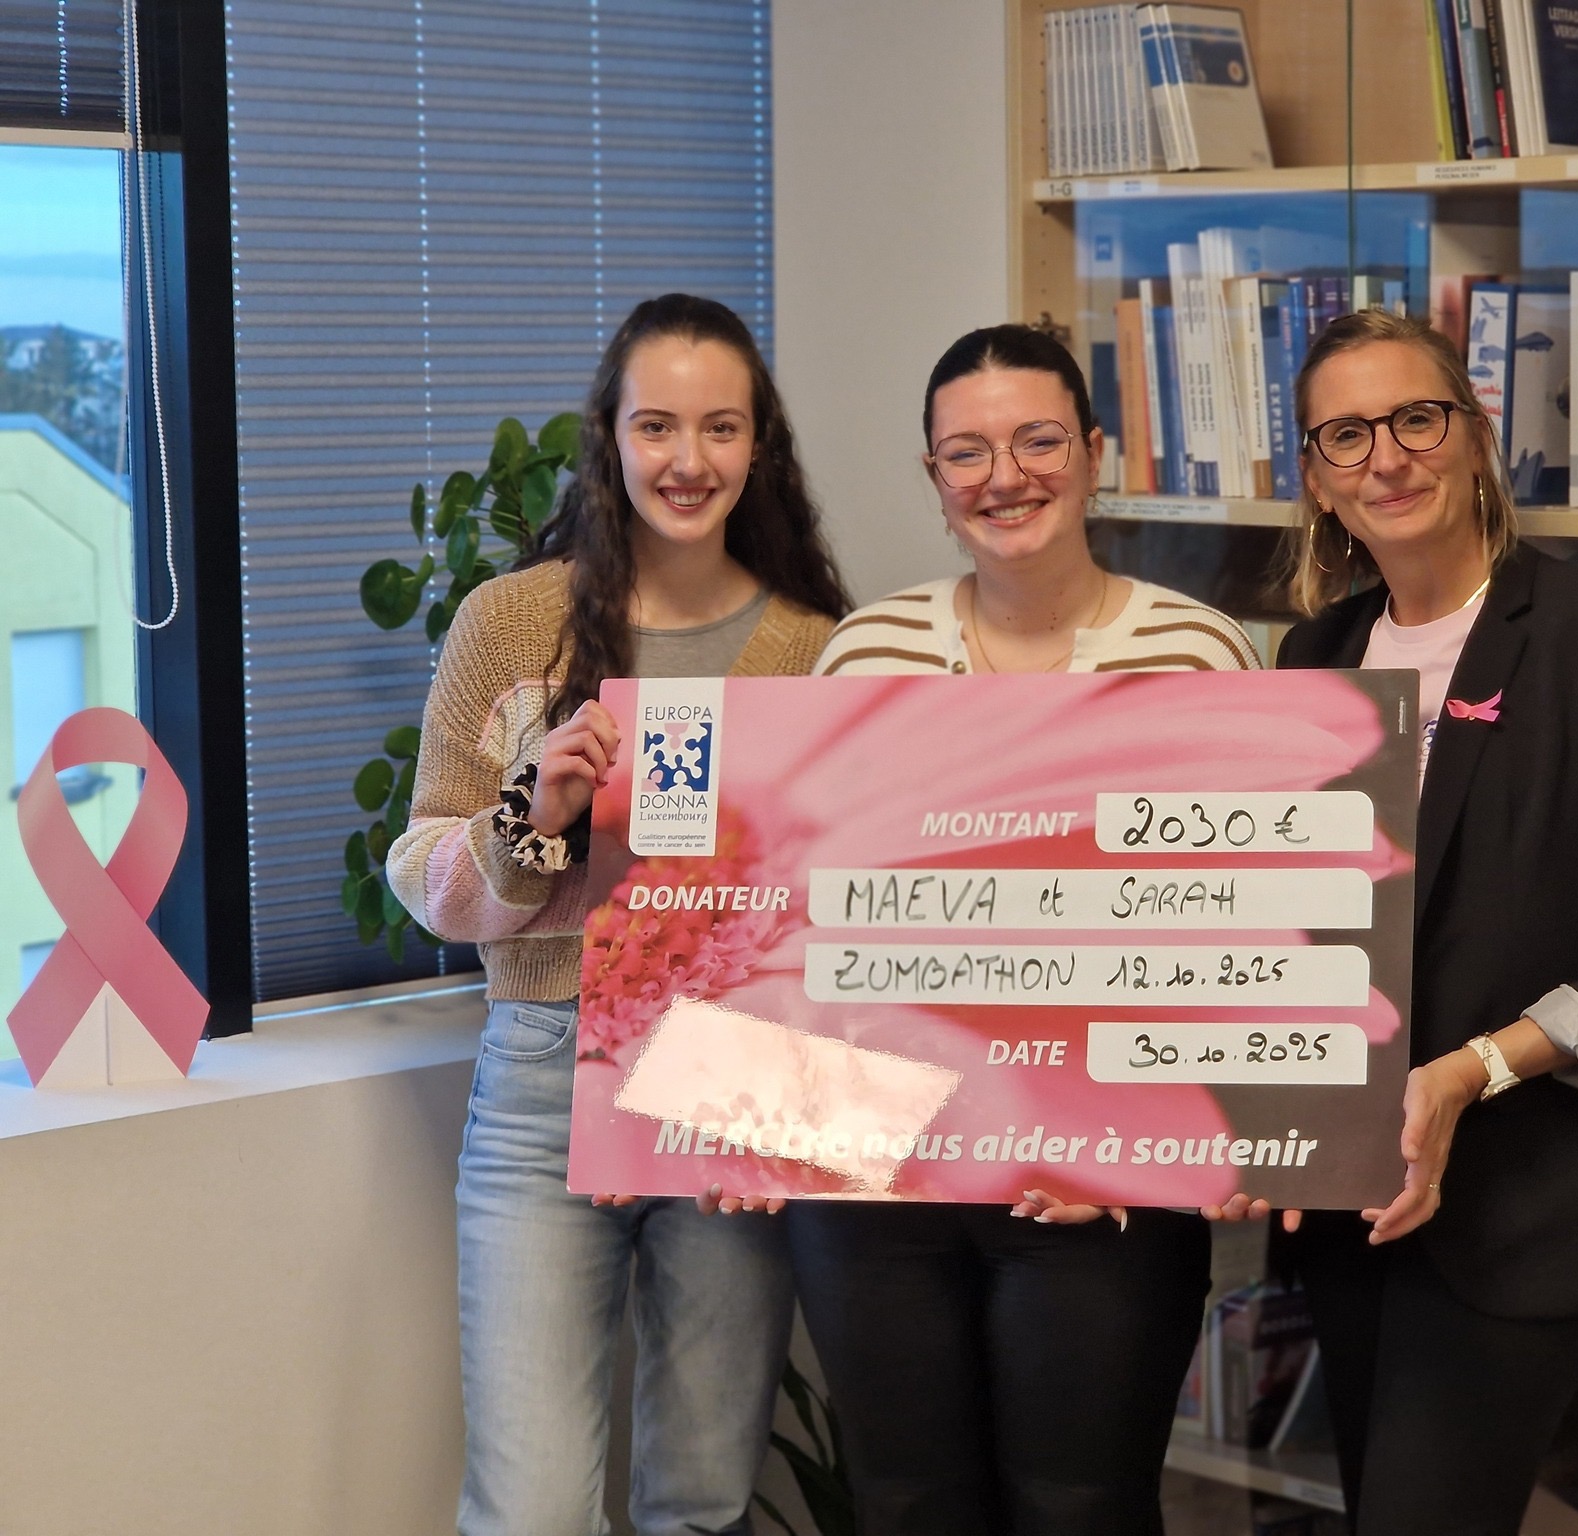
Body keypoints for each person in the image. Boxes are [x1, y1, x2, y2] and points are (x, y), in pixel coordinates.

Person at [1240, 307, 1578, 1535]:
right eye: (1346, 436)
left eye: (1416, 419)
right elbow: (1292, 931)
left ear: (1475, 435)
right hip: (1354, 1209)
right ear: (1314, 478)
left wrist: (1472, 1071)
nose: (1386, 458)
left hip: (1531, 1205)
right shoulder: (1313, 653)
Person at [387, 292, 851, 1536]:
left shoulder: (817, 650)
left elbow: (837, 916)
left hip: (734, 1082)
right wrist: (531, 816)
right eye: (656, 426)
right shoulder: (509, 625)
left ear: (759, 445)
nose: (687, 460)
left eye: (719, 428)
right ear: (608, 435)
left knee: (701, 1500)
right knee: (531, 1509)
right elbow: (422, 875)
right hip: (545, 1082)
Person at [794, 323, 1257, 1535]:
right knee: (906, 1506)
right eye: (967, 452)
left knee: (1081, 1508)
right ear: (933, 476)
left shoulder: (1199, 653)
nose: (1004, 476)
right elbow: (801, 935)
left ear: (1094, 454)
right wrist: (743, 1130)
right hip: (879, 1187)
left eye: (1038, 440)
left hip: (1100, 1193)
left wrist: (1126, 1143)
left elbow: (1239, 943)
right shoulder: (863, 654)